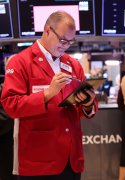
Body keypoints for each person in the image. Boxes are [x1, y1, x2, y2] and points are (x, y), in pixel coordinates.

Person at [1, 11, 97, 180]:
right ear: (47, 31)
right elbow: (11, 105)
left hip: (71, 158)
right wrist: (48, 93)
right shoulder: (21, 61)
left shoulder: (73, 65)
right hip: (39, 160)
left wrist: (88, 102)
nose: (66, 45)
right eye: (62, 40)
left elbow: (85, 108)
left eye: (70, 41)